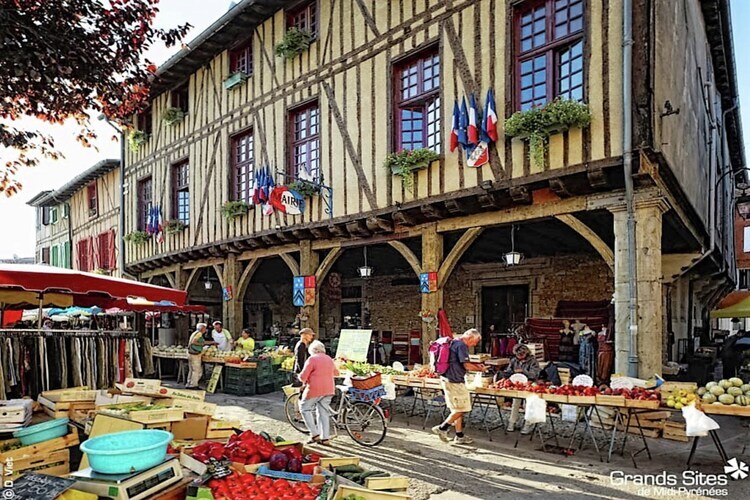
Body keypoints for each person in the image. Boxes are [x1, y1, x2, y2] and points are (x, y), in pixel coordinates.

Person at [432, 329, 487, 445]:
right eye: (475, 341)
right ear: (470, 337)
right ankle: (442, 428)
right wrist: (480, 369)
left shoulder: (454, 342)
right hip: (455, 381)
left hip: (447, 378)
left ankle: (459, 435)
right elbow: (466, 365)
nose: (475, 344)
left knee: (456, 409)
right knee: (464, 408)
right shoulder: (462, 346)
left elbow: (458, 361)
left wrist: (476, 365)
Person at [298, 340, 339, 445]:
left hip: (315, 389)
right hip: (329, 389)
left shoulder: (312, 359)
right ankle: (325, 438)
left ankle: (314, 434)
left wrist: (300, 378)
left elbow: (303, 376)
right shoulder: (329, 359)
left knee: (304, 408)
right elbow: (336, 373)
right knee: (323, 412)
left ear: (313, 350)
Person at [502, 343, 541, 434]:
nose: (519, 356)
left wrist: (524, 371)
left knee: (528, 403)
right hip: (517, 384)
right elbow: (508, 372)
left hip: (530, 383)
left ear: (526, 353)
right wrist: (511, 373)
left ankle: (527, 424)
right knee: (515, 401)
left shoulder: (533, 361)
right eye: (518, 355)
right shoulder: (514, 361)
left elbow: (535, 374)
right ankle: (512, 422)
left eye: (522, 354)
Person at [186, 323, 216, 389]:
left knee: (191, 369)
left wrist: (211, 342)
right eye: (205, 328)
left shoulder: (195, 333)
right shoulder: (199, 334)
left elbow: (203, 342)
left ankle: (189, 383)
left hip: (190, 353)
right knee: (197, 370)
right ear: (202, 328)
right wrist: (201, 344)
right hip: (195, 354)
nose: (206, 330)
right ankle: (194, 385)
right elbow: (194, 342)